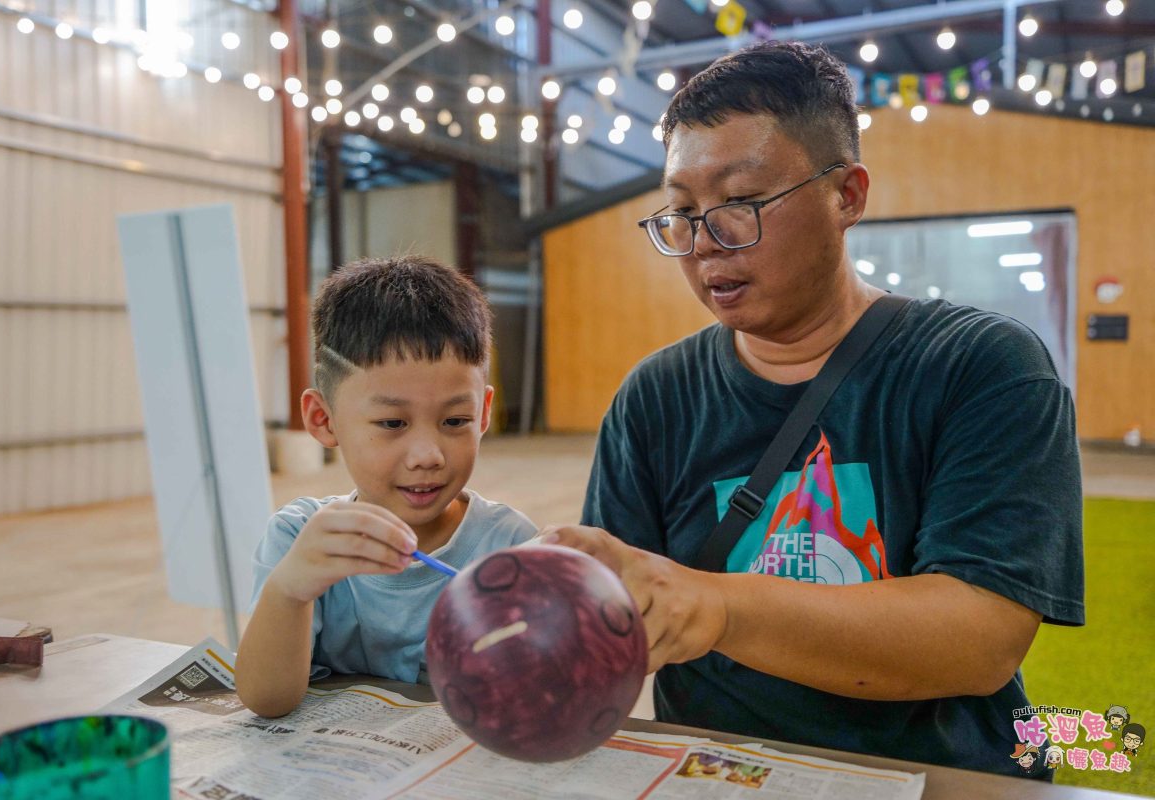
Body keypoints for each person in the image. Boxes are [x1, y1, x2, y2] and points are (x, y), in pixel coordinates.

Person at [541, 41, 1084, 777]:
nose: (705, 243)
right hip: (725, 778)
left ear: (847, 195)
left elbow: (980, 638)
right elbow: (610, 628)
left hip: (937, 780)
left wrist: (715, 607)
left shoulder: (981, 366)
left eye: (740, 204)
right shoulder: (654, 397)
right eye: (682, 212)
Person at [236, 257, 536, 717]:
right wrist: (290, 590)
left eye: (455, 421)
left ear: (484, 413)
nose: (427, 455)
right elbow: (265, 699)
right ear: (323, 419)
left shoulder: (510, 548)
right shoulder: (298, 538)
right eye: (392, 422)